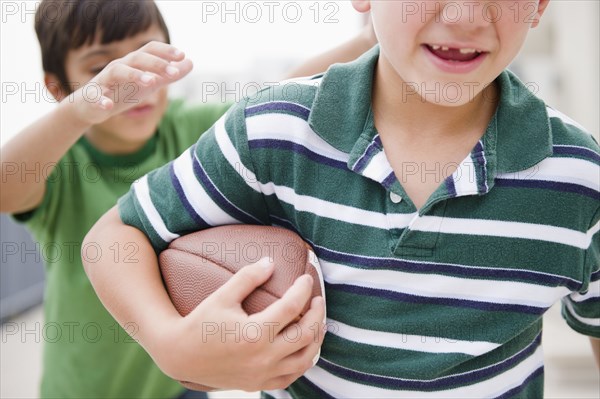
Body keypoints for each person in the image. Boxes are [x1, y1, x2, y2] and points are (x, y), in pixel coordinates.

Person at [82, 0, 599, 397]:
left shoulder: (578, 175)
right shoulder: (275, 132)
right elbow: (114, 236)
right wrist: (170, 344)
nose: (464, 15)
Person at [0, 0, 375, 397]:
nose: (130, 83)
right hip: (84, 388)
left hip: (182, 383)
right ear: (59, 86)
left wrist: (371, 37)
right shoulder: (61, 161)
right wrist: (79, 111)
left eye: (144, 59)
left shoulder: (192, 132)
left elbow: (278, 95)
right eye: (101, 70)